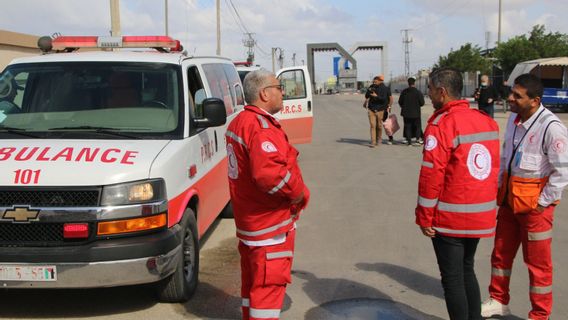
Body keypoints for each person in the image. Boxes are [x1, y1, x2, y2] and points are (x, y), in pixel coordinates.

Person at [481, 74, 568, 320]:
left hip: (535, 209)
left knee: (538, 265)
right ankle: (498, 300)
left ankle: (540, 314)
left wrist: (541, 204)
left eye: (517, 96)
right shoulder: (513, 119)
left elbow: (562, 172)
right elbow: (506, 157)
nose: (510, 98)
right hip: (509, 202)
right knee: (500, 254)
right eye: (512, 92)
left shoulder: (552, 128)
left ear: (535, 100)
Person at [415, 68, 500, 320]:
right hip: (480, 215)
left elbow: (431, 176)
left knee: (452, 280)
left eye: (430, 89)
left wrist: (424, 216)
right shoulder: (486, 120)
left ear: (442, 92)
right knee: (467, 270)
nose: (428, 94)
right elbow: (490, 169)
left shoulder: (442, 125)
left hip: (450, 218)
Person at [225, 69, 310, 320]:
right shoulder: (260, 127)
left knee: (252, 289)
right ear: (264, 93)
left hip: (251, 224)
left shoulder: (239, 122)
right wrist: (297, 193)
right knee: (267, 292)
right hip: (268, 228)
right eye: (279, 87)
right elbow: (269, 176)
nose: (283, 92)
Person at [364, 74, 392, 147]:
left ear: (380, 81)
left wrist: (376, 96)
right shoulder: (371, 87)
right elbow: (367, 96)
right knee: (372, 125)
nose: (374, 83)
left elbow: (385, 99)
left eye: (376, 81)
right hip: (371, 109)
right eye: (374, 81)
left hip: (380, 110)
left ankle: (379, 138)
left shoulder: (385, 89)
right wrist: (368, 91)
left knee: (379, 126)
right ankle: (373, 141)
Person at [398, 77, 425, 146]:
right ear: (414, 83)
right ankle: (417, 140)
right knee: (418, 126)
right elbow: (422, 103)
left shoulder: (404, 92)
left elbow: (400, 102)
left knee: (407, 126)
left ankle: (409, 141)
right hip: (416, 113)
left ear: (408, 83)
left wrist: (404, 107)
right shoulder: (418, 92)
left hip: (406, 113)